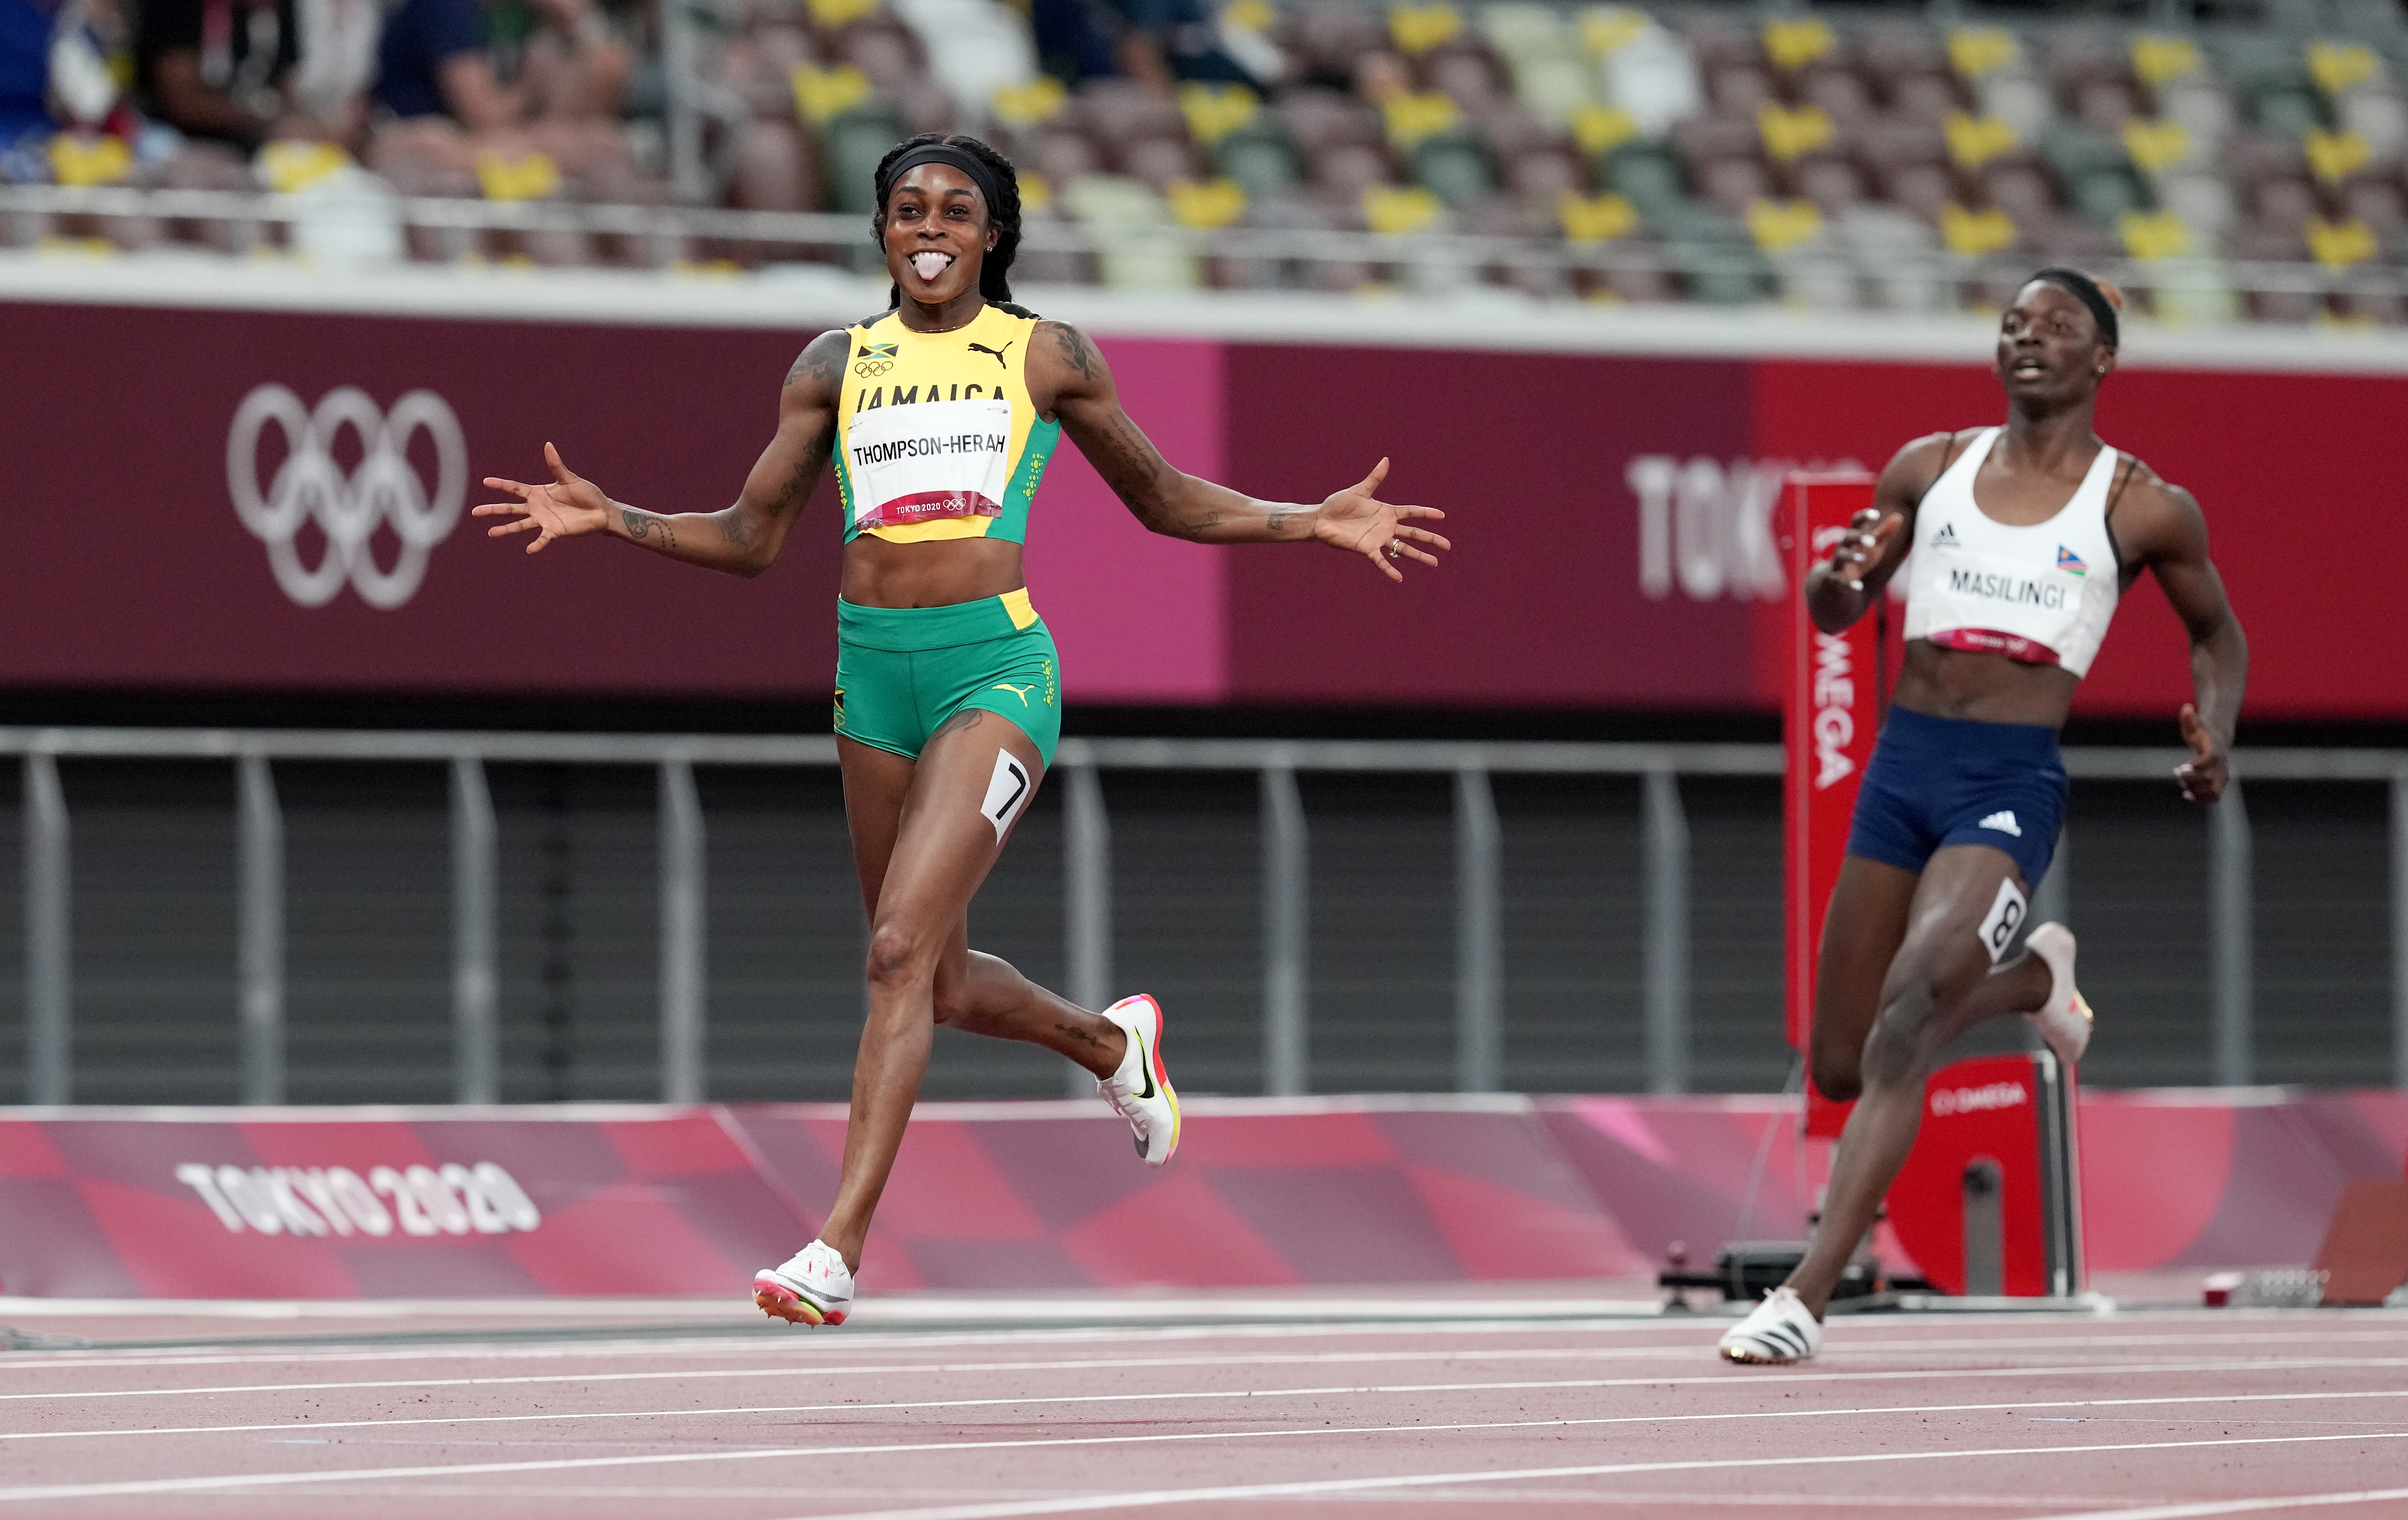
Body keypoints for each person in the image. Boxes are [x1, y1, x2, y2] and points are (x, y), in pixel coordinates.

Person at [474, 132, 1449, 1327]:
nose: (928, 227)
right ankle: (1108, 1044)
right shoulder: (835, 364)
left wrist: (1305, 521)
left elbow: (1159, 498)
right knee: (929, 976)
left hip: (995, 667)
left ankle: (834, 1249)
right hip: (868, 678)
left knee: (891, 953)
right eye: (905, 209)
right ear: (881, 233)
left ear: (992, 236)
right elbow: (750, 538)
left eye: (954, 211)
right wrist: (615, 516)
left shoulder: (1044, 354)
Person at [1717, 268, 2247, 1364]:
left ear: (2101, 358)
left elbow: (2217, 635)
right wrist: (1837, 578)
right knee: (1840, 1061)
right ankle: (2032, 982)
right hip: (1902, 768)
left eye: (2055, 327)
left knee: (1910, 1009)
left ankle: (1801, 1299)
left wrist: (2215, 730)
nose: (2026, 338)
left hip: (2006, 783)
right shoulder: (1931, 465)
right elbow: (1835, 607)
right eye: (2012, 324)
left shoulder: (2138, 504)